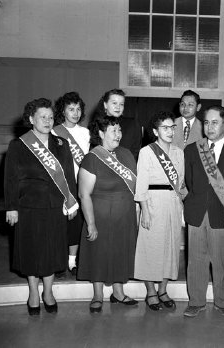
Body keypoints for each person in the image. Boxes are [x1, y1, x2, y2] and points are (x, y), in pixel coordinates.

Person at [5, 98, 78, 315]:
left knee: (52, 250)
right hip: (27, 206)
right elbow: (10, 179)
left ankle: (48, 292)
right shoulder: (18, 145)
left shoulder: (61, 144)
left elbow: (68, 177)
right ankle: (33, 293)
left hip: (55, 206)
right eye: (42, 117)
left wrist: (71, 203)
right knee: (31, 251)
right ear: (31, 119)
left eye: (50, 117)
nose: (47, 121)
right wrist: (11, 207)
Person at [183, 105, 224, 319]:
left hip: (223, 215)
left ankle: (222, 302)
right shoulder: (192, 149)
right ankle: (196, 301)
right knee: (195, 260)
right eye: (206, 122)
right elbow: (190, 181)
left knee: (220, 260)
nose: (209, 127)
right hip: (196, 213)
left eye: (214, 122)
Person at [77, 115, 138, 313]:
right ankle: (97, 294)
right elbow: (83, 194)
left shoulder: (126, 154)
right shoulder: (92, 158)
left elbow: (135, 186)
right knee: (99, 254)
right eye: (114, 130)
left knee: (120, 252)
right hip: (100, 217)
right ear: (101, 133)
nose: (118, 134)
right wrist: (91, 223)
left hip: (124, 217)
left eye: (119, 130)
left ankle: (118, 293)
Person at [134, 111, 185, 311]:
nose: (170, 131)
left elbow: (180, 183)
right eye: (165, 127)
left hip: (172, 203)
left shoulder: (179, 152)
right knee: (151, 247)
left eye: (172, 127)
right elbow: (141, 185)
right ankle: (151, 292)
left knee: (170, 248)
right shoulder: (147, 151)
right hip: (153, 203)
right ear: (155, 131)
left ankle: (163, 289)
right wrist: (144, 210)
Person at [53, 91, 90, 275]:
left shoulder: (85, 133)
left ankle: (72, 261)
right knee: (61, 224)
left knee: (76, 224)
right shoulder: (54, 131)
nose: (75, 113)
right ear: (63, 111)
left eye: (78, 109)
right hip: (61, 184)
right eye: (71, 109)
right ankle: (59, 260)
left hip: (81, 184)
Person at [93, 88, 143, 160]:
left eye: (121, 104)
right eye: (114, 103)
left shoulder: (133, 125)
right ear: (105, 105)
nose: (118, 107)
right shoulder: (96, 125)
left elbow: (135, 153)